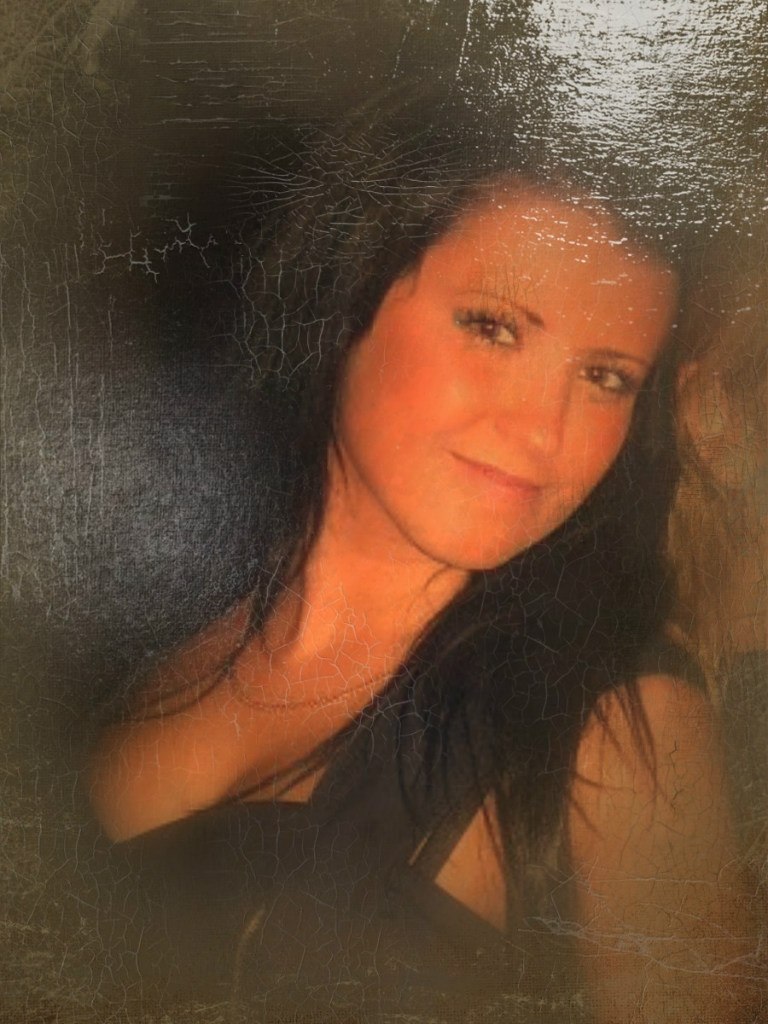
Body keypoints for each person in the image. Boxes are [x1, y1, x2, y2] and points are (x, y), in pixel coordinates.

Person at [86, 118, 759, 1022]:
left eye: (605, 377)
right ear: (347, 291)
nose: (542, 432)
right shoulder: (137, 607)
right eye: (494, 328)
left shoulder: (619, 725)